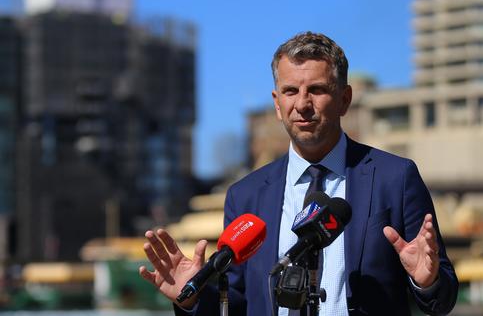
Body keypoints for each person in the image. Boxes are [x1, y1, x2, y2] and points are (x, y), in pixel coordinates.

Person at [140, 32, 458, 315]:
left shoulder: (395, 178)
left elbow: (442, 299)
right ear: (277, 104)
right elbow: (237, 303)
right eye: (290, 91)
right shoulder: (245, 195)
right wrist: (191, 298)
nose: (302, 104)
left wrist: (426, 281)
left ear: (344, 99)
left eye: (317, 90)